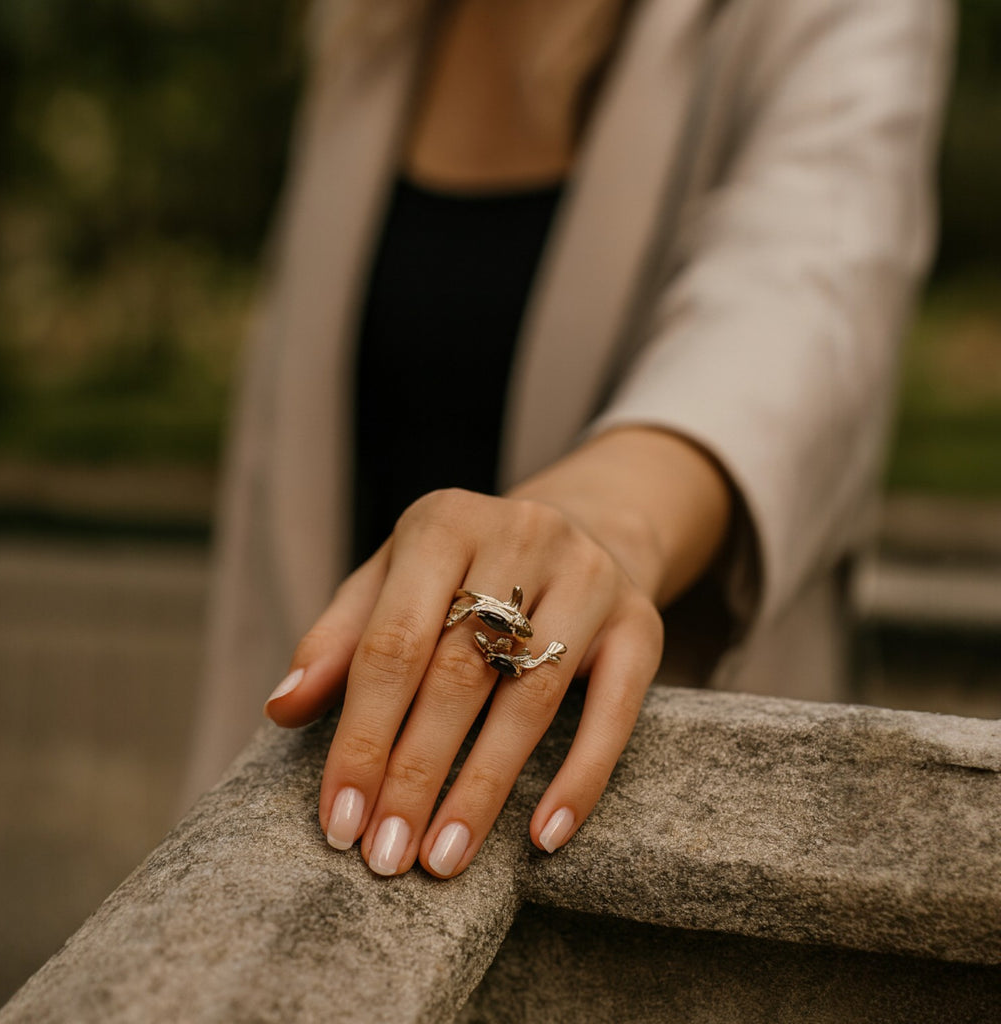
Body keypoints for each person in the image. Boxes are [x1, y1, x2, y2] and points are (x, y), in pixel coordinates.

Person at [183, 0, 953, 879]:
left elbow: (809, 301)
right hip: (310, 834)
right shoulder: (370, 26)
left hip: (654, 869)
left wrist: (595, 529)